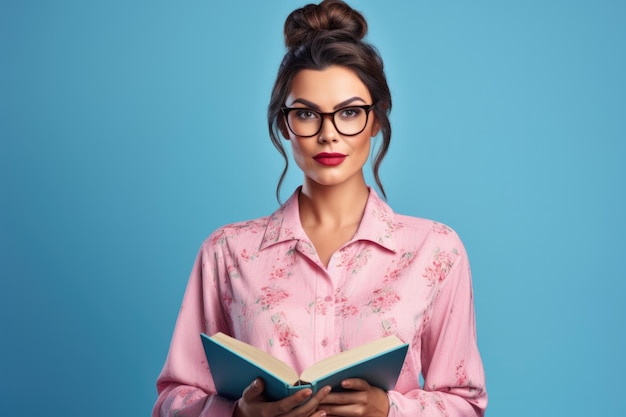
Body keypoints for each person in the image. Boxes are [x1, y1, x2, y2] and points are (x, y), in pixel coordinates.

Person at [152, 1, 488, 416]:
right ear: (284, 125)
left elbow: (466, 404)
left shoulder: (435, 251)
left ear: (377, 120)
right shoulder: (226, 252)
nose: (329, 134)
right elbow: (172, 399)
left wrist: (390, 410)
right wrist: (238, 414)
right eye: (307, 114)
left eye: (349, 112)